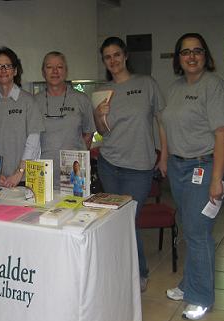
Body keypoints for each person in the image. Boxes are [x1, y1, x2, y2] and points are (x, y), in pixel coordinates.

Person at [162, 33, 224, 320]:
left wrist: (217, 180)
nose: (191, 56)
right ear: (178, 58)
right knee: (189, 226)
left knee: (198, 232)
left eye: (197, 51)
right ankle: (188, 284)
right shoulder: (176, 88)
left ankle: (201, 296)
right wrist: (167, 157)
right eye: (185, 52)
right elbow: (167, 125)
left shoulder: (214, 87)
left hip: (207, 165)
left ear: (206, 55)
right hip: (182, 167)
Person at [94, 36, 167, 292]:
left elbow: (161, 121)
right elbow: (102, 132)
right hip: (109, 163)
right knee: (116, 221)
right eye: (107, 57)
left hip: (139, 167)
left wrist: (164, 156)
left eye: (116, 55)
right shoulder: (101, 91)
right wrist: (99, 115)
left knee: (128, 220)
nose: (112, 60)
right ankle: (118, 270)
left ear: (125, 56)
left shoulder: (146, 83)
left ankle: (139, 272)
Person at [0, 47, 44, 188]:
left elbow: (34, 140)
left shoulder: (28, 101)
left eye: (8, 66)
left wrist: (20, 172)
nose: (3, 70)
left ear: (15, 71)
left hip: (24, 178)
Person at [35, 51, 96, 187]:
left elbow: (88, 133)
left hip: (74, 170)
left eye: (60, 67)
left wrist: (77, 157)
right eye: (50, 67)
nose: (55, 71)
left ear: (66, 71)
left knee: (74, 207)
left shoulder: (81, 99)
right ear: (43, 72)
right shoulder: (34, 102)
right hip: (43, 171)